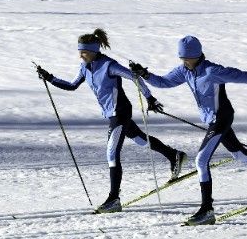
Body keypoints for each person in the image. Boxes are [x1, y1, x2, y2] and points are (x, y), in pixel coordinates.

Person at [130, 35, 247, 226]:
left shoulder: (212, 71)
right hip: (212, 120)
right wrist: (145, 74)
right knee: (238, 154)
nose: (185, 61)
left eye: (188, 58)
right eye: (182, 58)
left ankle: (207, 210)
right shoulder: (184, 71)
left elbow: (242, 76)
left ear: (198, 55)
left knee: (201, 159)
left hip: (221, 117)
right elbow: (164, 82)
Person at [35, 29, 186, 214]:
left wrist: (150, 98)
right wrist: (49, 77)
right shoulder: (85, 67)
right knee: (140, 140)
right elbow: (72, 85)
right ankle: (174, 155)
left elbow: (134, 77)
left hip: (120, 112)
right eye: (79, 52)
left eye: (84, 52)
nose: (81, 55)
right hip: (112, 113)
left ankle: (114, 199)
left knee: (111, 153)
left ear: (93, 50)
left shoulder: (109, 65)